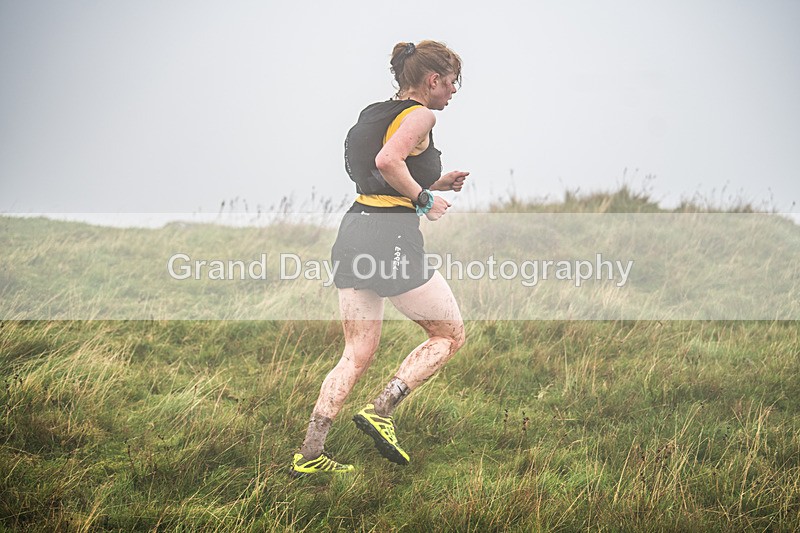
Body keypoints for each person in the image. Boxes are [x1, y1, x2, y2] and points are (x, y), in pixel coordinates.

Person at [290, 40, 469, 476]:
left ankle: (310, 456)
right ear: (432, 80)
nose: (453, 91)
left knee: (356, 351)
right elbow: (389, 160)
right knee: (448, 335)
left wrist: (435, 180)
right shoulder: (421, 114)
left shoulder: (374, 112)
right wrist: (424, 198)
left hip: (355, 228)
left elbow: (377, 168)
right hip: (390, 237)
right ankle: (382, 410)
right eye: (451, 83)